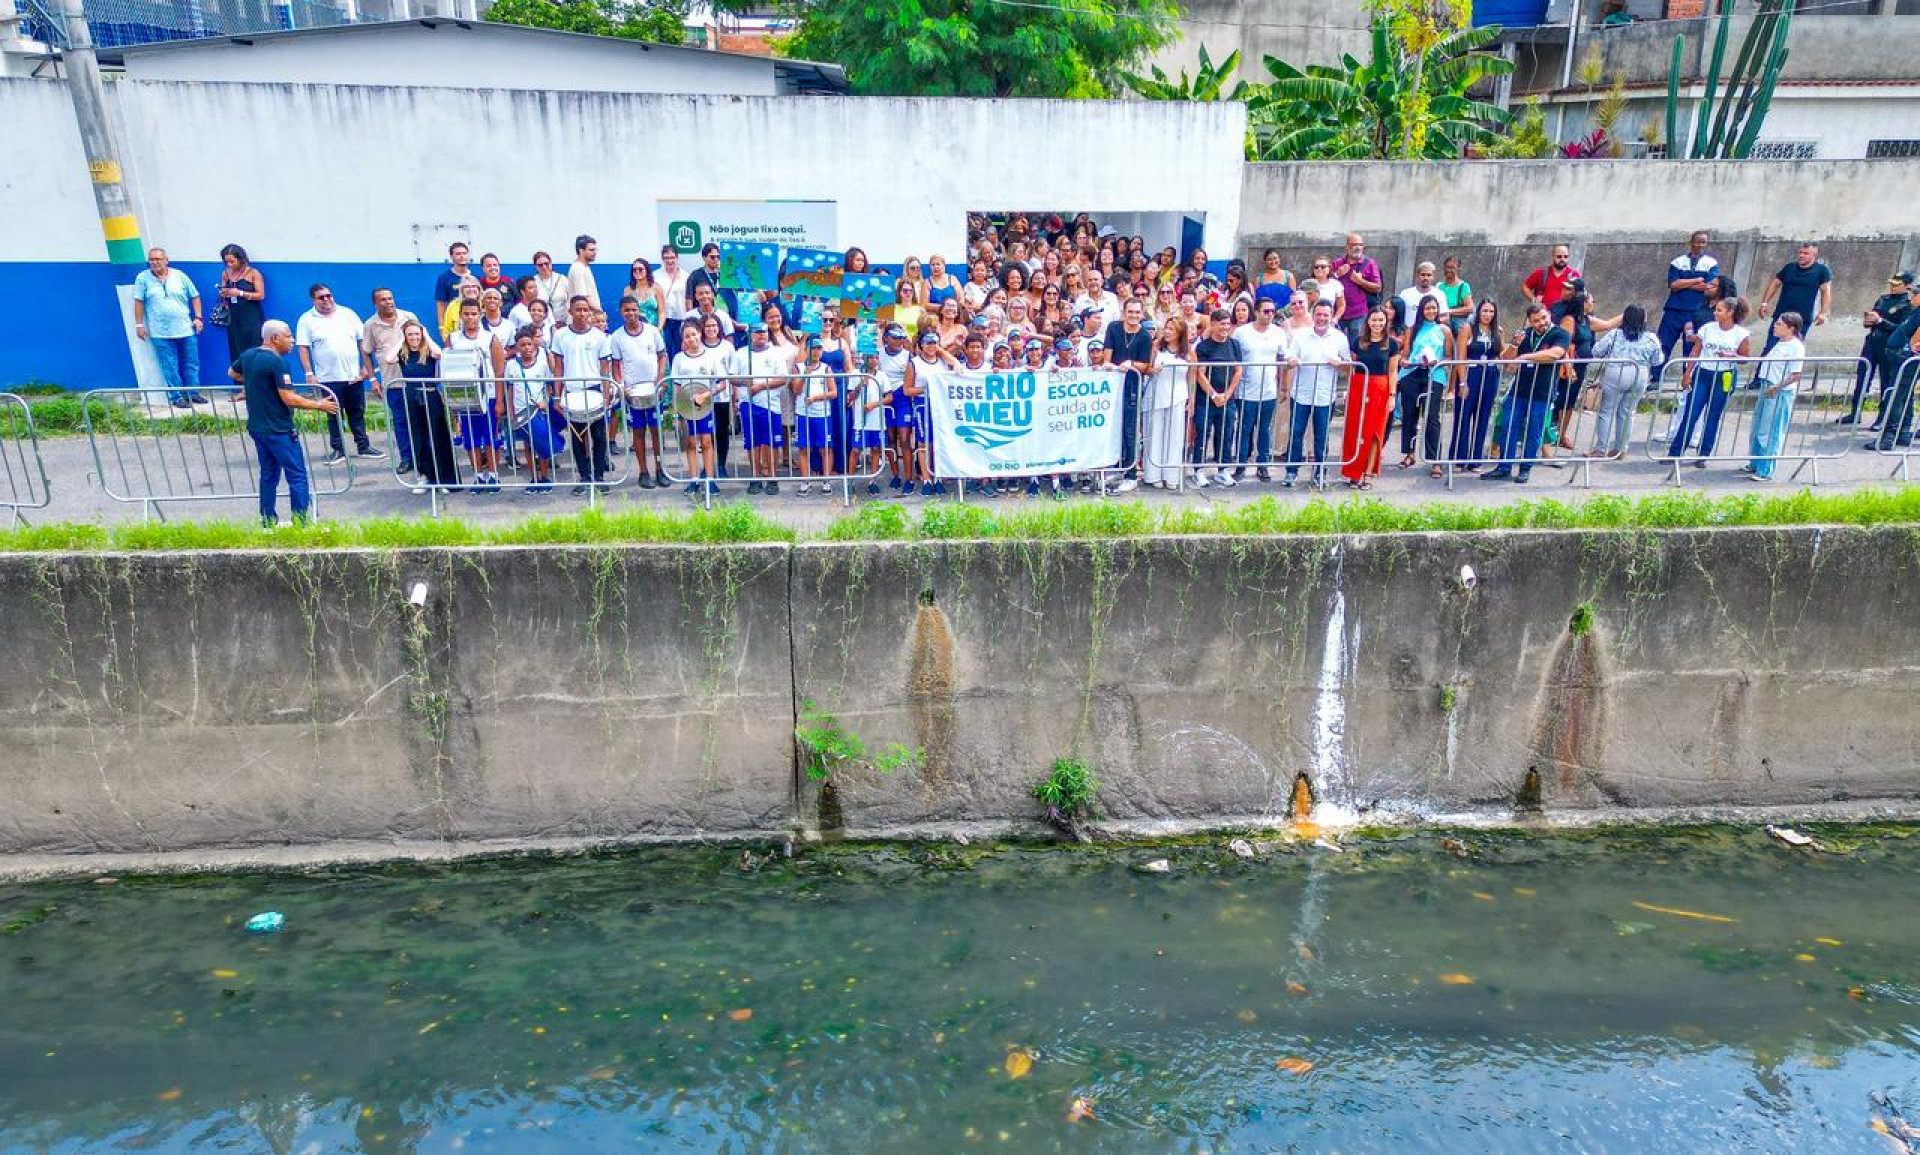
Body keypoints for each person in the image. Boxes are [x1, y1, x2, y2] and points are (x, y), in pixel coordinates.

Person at [230, 320, 337, 526]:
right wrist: (319, 405)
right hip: (279, 429)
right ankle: (301, 522)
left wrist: (254, 386)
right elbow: (289, 397)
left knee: (268, 475)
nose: (293, 340)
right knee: (296, 475)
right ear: (275, 338)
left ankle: (268, 521)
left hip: (258, 428)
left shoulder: (249, 355)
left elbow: (232, 373)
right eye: (289, 336)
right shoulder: (277, 363)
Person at [1482, 304, 1569, 483]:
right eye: (1536, 321)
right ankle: (1504, 466)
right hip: (1519, 390)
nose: (1541, 323)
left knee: (1534, 431)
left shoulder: (1560, 333)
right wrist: (1514, 345)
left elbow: (1556, 353)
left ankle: (1525, 468)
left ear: (1549, 315)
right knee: (1508, 428)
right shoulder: (1525, 334)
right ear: (1530, 321)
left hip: (1542, 392)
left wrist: (1526, 357)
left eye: (1544, 318)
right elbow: (1506, 361)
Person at [296, 282, 381, 464]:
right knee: (333, 414)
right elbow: (303, 348)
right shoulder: (306, 320)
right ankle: (338, 449)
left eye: (329, 295)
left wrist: (367, 368)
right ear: (313, 300)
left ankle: (363, 446)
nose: (327, 300)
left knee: (357, 412)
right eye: (321, 297)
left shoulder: (348, 314)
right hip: (328, 378)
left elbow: (363, 342)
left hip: (353, 376)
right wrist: (309, 374)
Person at [1667, 295, 1751, 468]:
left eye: (1719, 310)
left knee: (1712, 417)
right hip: (1703, 374)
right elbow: (1695, 352)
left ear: (1730, 313)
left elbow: (1745, 358)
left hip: (1724, 376)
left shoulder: (1741, 334)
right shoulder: (1707, 328)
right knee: (1691, 413)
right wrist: (1687, 373)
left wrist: (1732, 356)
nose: (1715, 313)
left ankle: (1703, 455)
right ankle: (1675, 453)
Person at [549, 295, 612, 495]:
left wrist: (606, 394)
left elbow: (604, 369)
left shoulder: (599, 337)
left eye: (586, 310)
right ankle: (584, 476)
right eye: (578, 310)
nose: (582, 313)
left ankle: (599, 477)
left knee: (599, 436)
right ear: (570, 312)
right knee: (578, 438)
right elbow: (558, 368)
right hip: (572, 392)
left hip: (594, 391)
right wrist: (558, 397)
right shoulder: (560, 336)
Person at [1283, 302, 1349, 488]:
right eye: (1319, 314)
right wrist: (1292, 361)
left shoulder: (1339, 337)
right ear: (1313, 315)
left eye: (1326, 315)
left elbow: (1348, 365)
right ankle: (1291, 471)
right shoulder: (1301, 335)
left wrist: (1340, 363)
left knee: (1322, 436)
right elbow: (1289, 359)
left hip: (1325, 395)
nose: (1322, 318)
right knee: (1296, 434)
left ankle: (1320, 471)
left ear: (1331, 316)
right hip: (1301, 393)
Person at [444, 299, 507, 492]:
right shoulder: (453, 339)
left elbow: (499, 371)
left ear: (480, 314)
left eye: (473, 314)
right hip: (464, 398)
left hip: (488, 396)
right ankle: (478, 475)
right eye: (466, 314)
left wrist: (499, 400)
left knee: (491, 437)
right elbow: (446, 368)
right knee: (471, 438)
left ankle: (494, 476)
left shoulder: (490, 338)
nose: (470, 318)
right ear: (461, 316)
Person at [132, 247, 206, 407]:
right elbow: (138, 301)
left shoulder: (180, 275)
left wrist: (198, 317)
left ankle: (193, 394)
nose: (154, 262)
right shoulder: (142, 278)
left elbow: (195, 296)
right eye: (151, 260)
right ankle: (176, 397)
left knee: (191, 363)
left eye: (158, 259)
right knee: (170, 365)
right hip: (160, 332)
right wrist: (139, 324)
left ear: (166, 260)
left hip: (186, 329)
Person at [1587, 304, 1661, 460]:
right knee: (1628, 412)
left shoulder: (1614, 335)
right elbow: (1657, 360)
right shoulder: (1651, 338)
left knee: (1607, 411)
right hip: (1640, 373)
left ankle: (1601, 449)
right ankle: (1621, 449)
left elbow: (1596, 351)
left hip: (1616, 372)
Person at [609, 295, 668, 489]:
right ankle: (644, 472)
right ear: (621, 312)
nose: (631, 313)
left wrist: (660, 378)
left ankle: (661, 469)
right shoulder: (617, 337)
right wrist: (621, 386)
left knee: (656, 431)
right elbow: (616, 365)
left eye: (634, 309)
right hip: (633, 393)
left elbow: (662, 356)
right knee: (638, 432)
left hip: (653, 391)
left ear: (639, 310)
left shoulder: (651, 331)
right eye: (627, 310)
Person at [360, 287, 421, 474]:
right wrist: (372, 379)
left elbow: (421, 340)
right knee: (401, 422)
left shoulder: (408, 317)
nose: (388, 302)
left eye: (390, 298)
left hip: (415, 378)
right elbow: (366, 352)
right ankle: (406, 458)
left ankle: (423, 457)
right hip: (392, 380)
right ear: (375, 303)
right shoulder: (371, 325)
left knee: (420, 420)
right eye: (383, 300)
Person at [395, 319, 458, 492]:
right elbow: (388, 358)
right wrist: (401, 339)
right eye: (410, 334)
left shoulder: (428, 350)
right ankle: (425, 477)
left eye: (417, 334)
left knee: (437, 437)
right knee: (418, 438)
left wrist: (426, 335)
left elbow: (439, 354)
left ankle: (444, 479)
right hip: (412, 397)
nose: (414, 337)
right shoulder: (402, 353)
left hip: (431, 396)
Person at [1846, 271, 1916, 424]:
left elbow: (1901, 328)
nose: (1892, 287)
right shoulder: (1883, 299)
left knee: (1886, 382)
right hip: (1872, 342)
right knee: (1862, 378)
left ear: (1907, 286)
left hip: (1888, 346)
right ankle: (1855, 413)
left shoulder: (1908, 304)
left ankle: (1881, 418)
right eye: (1891, 284)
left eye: (1897, 285)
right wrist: (1869, 321)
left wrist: (1880, 321)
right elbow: (1874, 316)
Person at [734, 321, 795, 495]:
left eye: (764, 332)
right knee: (752, 443)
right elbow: (732, 377)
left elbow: (783, 378)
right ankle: (755, 477)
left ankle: (773, 477)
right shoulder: (740, 354)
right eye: (758, 332)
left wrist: (761, 386)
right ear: (751, 335)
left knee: (771, 443)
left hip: (771, 405)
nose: (762, 335)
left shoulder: (776, 353)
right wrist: (745, 382)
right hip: (748, 404)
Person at [504, 326, 566, 493]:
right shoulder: (511, 366)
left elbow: (548, 387)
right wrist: (510, 411)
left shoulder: (542, 364)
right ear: (517, 347)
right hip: (521, 412)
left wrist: (545, 402)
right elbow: (509, 389)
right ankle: (534, 477)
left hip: (538, 410)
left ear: (534, 345)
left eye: (529, 344)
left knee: (541, 444)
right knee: (527, 445)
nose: (526, 348)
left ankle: (544, 476)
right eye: (522, 345)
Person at [1233, 297, 1289, 481]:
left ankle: (1262, 465)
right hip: (1245, 390)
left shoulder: (1279, 333)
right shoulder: (1241, 333)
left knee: (1264, 429)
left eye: (1273, 311)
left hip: (1268, 390)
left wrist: (1283, 386)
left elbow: (1282, 360)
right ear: (1256, 312)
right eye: (1266, 311)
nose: (1270, 315)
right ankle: (1240, 465)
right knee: (1244, 428)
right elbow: (1233, 359)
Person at [668, 320, 727, 497]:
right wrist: (676, 410)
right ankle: (694, 480)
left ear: (700, 334)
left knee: (707, 442)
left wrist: (706, 395)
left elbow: (722, 383)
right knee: (691, 443)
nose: (691, 338)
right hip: (687, 409)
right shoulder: (679, 358)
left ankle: (709, 480)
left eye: (694, 334)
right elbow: (676, 387)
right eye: (687, 336)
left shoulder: (710, 357)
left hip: (705, 408)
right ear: (683, 339)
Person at [1745, 312, 1806, 481]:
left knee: (1771, 430)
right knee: (1759, 426)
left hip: (1779, 391)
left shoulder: (1796, 347)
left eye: (1779, 324)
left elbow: (1795, 374)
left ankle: (1766, 469)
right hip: (1768, 386)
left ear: (1791, 328)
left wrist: (1777, 387)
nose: (1775, 326)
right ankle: (1755, 462)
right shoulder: (1780, 342)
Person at [1102, 297, 1154, 493]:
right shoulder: (1113, 328)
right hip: (1112, 388)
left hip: (1132, 387)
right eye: (1130, 312)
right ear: (1124, 312)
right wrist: (1110, 364)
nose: (1133, 316)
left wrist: (1130, 364)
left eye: (1137, 312)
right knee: (1113, 429)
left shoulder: (1144, 336)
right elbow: (1108, 354)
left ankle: (1131, 473)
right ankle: (1116, 467)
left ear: (1141, 314)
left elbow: (1145, 364)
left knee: (1130, 431)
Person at [1397, 296, 1451, 476]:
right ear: (1421, 309)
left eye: (1434, 308)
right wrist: (1405, 362)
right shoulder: (1412, 330)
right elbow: (1405, 355)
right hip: (1412, 373)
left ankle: (1434, 460)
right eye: (1427, 308)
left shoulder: (1444, 330)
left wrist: (1436, 361)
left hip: (1434, 375)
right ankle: (1409, 454)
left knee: (1432, 417)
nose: (1431, 312)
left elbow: (1449, 357)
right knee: (1410, 415)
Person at [1342, 306, 1395, 489]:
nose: (1377, 324)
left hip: (1380, 389)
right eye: (1374, 320)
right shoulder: (1358, 342)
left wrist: (1392, 396)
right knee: (1355, 431)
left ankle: (1368, 473)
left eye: (1381, 320)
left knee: (1374, 432)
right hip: (1359, 386)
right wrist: (1348, 390)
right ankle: (1353, 472)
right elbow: (1352, 367)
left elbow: (1393, 371)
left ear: (1386, 322)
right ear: (1367, 322)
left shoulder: (1392, 344)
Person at [1190, 309, 1242, 488]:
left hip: (1228, 400)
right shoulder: (1203, 347)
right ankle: (1198, 470)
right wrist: (1213, 394)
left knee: (1226, 434)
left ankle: (1223, 470)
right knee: (1203, 434)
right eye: (1222, 324)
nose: (1225, 327)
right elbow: (1200, 374)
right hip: (1206, 400)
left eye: (1228, 324)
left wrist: (1227, 394)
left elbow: (1238, 370)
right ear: (1212, 324)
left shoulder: (1234, 344)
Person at [1450, 300, 1502, 470]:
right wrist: (1463, 382)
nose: (1488, 315)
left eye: (1491, 311)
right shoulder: (1467, 329)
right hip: (1471, 374)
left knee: (1483, 417)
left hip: (1490, 375)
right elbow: (1460, 357)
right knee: (1464, 416)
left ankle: (1476, 459)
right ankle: (1458, 458)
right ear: (1479, 312)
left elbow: (1502, 355)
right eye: (1485, 311)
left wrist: (1514, 344)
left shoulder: (1498, 332)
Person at [1869, 279, 1920, 452]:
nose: (1912, 296)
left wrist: (1911, 349)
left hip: (1908, 359)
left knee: (1895, 396)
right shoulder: (1916, 311)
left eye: (1916, 294)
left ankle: (1888, 437)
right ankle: (1902, 432)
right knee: (1904, 396)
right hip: (1901, 357)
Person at [1142, 317, 1192, 490]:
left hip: (1178, 395)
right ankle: (1153, 473)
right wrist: (1152, 370)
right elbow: (1146, 368)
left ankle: (1171, 475)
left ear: (1180, 332)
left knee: (1175, 437)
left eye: (1172, 329)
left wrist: (1191, 400)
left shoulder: (1188, 352)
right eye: (1167, 328)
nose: (1168, 332)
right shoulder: (1156, 347)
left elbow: (1191, 377)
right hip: (1156, 393)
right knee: (1154, 434)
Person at [1658, 231, 1718, 369]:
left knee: (1690, 346)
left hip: (1696, 312)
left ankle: (1688, 377)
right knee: (1664, 344)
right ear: (1691, 243)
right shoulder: (1678, 262)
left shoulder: (1711, 263)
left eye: (1704, 242)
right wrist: (1696, 280)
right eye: (1698, 242)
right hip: (1674, 310)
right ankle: (1656, 377)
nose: (1701, 246)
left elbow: (1707, 286)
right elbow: (1673, 285)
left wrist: (1683, 283)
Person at [1757, 243, 1832, 352]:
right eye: (1800, 252)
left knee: (1793, 351)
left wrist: (1823, 313)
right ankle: (1762, 369)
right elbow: (1775, 283)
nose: (1801, 255)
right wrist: (1764, 303)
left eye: (1806, 253)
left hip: (1802, 319)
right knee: (1770, 348)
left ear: (1813, 256)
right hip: (1781, 316)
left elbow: (1826, 292)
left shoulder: (1821, 270)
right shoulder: (1789, 267)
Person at [792, 335, 838, 495]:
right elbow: (796, 390)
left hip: (822, 414)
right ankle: (805, 481)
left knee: (825, 447)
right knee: (804, 447)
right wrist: (805, 374)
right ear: (806, 350)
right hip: (803, 413)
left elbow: (833, 392)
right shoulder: (798, 367)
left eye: (819, 348)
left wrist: (816, 398)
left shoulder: (826, 368)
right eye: (813, 348)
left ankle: (826, 480)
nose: (816, 352)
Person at [876, 324, 915, 495]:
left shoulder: (908, 355)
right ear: (886, 338)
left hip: (902, 397)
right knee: (890, 438)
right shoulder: (878, 353)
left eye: (901, 337)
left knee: (905, 439)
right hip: (885, 396)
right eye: (895, 337)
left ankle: (909, 478)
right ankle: (895, 475)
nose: (899, 341)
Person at [216, 243, 266, 363]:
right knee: (236, 351)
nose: (229, 265)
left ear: (241, 259)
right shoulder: (226, 273)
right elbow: (223, 290)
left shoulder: (253, 273)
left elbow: (261, 295)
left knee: (253, 349)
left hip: (251, 318)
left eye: (232, 261)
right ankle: (238, 379)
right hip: (233, 318)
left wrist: (240, 293)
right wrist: (223, 294)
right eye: (226, 262)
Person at [1329, 234, 1380, 345]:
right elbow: (1324, 282)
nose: (1358, 247)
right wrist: (1337, 274)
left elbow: (1377, 287)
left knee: (1357, 345)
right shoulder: (1337, 263)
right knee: (1336, 344)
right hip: (1338, 312)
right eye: (1354, 245)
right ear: (1347, 247)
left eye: (1360, 245)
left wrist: (1360, 282)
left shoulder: (1370, 263)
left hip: (1359, 313)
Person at [1394, 262, 1448, 336]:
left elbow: (1445, 317)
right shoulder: (1405, 294)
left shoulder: (1439, 294)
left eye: (1429, 275)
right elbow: (1397, 313)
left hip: (1431, 334)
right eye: (1423, 275)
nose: (1425, 278)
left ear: (1433, 276)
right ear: (1417, 276)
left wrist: (1426, 325)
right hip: (1408, 334)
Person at [1523, 244, 1581, 310]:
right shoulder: (1541, 273)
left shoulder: (1574, 275)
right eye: (1559, 257)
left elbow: (1580, 295)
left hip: (1564, 316)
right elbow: (1525, 287)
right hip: (1544, 316)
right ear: (1553, 257)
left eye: (1566, 256)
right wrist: (1534, 299)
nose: (1563, 259)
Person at [659, 246, 692, 357]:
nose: (669, 261)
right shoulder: (656, 276)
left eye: (672, 257)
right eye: (666, 258)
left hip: (681, 318)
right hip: (664, 320)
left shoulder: (686, 276)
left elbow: (689, 298)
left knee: (681, 350)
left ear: (677, 258)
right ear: (662, 259)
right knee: (665, 349)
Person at [432, 242, 472, 317]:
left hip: (473, 320)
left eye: (464, 253)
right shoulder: (444, 278)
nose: (462, 256)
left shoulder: (475, 278)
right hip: (454, 320)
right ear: (451, 257)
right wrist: (441, 327)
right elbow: (441, 304)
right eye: (458, 254)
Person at [623, 258, 666, 327]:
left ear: (647, 270)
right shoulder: (628, 290)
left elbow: (662, 312)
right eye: (634, 270)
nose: (637, 271)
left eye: (640, 269)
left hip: (654, 329)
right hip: (634, 330)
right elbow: (625, 312)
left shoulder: (657, 288)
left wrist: (658, 329)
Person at [1254, 249, 1294, 315]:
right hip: (1266, 313)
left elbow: (1293, 297)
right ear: (1265, 261)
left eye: (1275, 258)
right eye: (1269, 259)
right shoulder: (1259, 279)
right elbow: (1258, 300)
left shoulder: (1288, 276)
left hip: (1285, 313)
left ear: (1279, 259)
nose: (1273, 261)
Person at [566, 235, 599, 316]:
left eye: (595, 249)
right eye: (591, 250)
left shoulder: (584, 267)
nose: (595, 252)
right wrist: (600, 312)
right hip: (582, 319)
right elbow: (583, 298)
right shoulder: (578, 269)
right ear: (581, 251)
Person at [1437, 256, 1473, 328]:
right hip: (1442, 320)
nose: (1449, 270)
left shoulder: (1463, 286)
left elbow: (1470, 308)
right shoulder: (1439, 286)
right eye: (1447, 267)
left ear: (1458, 270)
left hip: (1457, 322)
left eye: (1452, 268)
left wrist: (1449, 311)